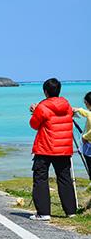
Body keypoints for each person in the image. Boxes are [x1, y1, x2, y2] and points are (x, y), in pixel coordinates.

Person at [29, 78, 77, 221]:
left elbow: (34, 124)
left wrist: (34, 111)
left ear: (45, 92)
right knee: (65, 178)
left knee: (40, 179)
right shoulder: (67, 105)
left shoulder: (42, 107)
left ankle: (43, 213)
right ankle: (71, 211)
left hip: (45, 147)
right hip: (63, 148)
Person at [73, 91, 91, 179]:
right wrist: (79, 110)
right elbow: (87, 113)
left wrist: (85, 137)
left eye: (85, 103)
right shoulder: (89, 113)